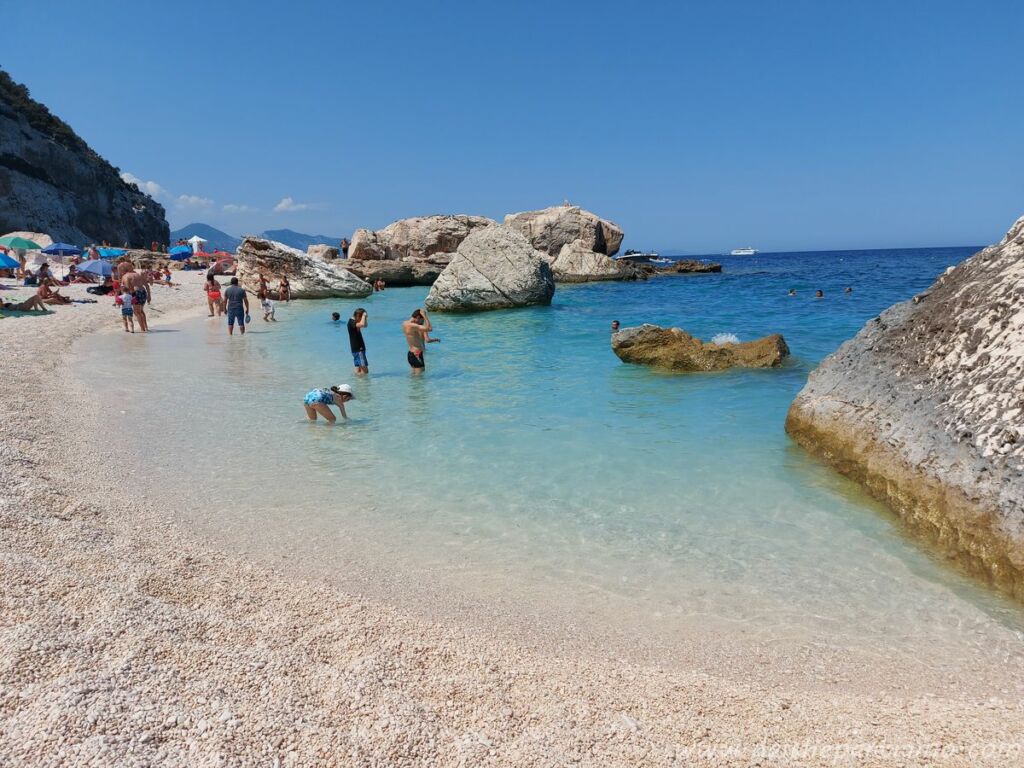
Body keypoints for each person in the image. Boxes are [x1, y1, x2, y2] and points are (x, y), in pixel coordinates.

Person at [402, 308, 440, 374]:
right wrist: (425, 316)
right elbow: (430, 329)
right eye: (422, 321)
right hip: (417, 354)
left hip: (411, 354)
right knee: (419, 379)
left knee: (415, 377)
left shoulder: (405, 323)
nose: (422, 323)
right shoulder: (413, 326)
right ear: (418, 317)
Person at [348, 308, 369, 375]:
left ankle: (358, 383)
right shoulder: (352, 322)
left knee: (358, 368)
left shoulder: (353, 322)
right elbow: (362, 324)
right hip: (358, 348)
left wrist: (364, 317)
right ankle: (364, 384)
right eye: (361, 317)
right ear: (357, 316)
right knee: (365, 371)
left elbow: (365, 325)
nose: (361, 320)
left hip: (357, 348)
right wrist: (363, 316)